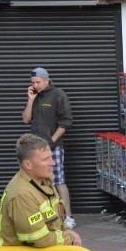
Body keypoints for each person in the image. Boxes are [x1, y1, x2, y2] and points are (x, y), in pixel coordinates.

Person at [22, 67, 76, 229]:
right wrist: (31, 99)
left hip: (53, 147)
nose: (35, 85)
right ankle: (45, 216)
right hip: (35, 148)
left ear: (47, 80)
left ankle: (68, 217)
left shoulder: (59, 95)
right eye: (33, 83)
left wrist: (51, 141)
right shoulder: (35, 96)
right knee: (37, 181)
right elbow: (26, 120)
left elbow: (66, 121)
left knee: (59, 180)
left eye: (38, 82)